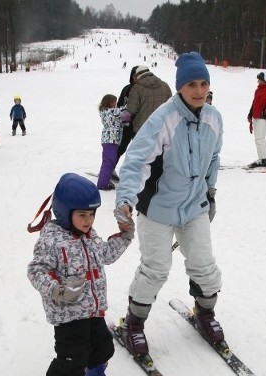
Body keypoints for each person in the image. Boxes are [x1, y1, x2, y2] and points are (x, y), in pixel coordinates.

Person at [114, 51, 223, 357]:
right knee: (156, 269)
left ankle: (205, 314)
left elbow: (214, 158)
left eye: (204, 83)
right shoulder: (164, 118)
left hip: (194, 208)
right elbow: (136, 162)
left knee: (205, 267)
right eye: (192, 84)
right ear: (180, 87)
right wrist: (125, 198)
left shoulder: (214, 118)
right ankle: (133, 324)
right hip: (158, 209)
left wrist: (210, 192)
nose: (200, 90)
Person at [27, 172, 134, 376]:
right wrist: (57, 290)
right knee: (72, 359)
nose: (89, 221)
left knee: (102, 347)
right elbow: (36, 270)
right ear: (64, 213)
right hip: (67, 316)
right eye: (82, 215)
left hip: (93, 310)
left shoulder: (89, 235)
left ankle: (94, 375)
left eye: (92, 214)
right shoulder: (51, 240)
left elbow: (105, 255)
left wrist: (125, 235)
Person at [126, 65, 172, 137]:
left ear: (137, 75)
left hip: (141, 129)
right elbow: (170, 106)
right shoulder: (165, 85)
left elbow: (131, 110)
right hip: (161, 127)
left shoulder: (137, 88)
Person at [96, 94, 128, 191]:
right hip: (110, 140)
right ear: (109, 102)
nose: (116, 103)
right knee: (109, 161)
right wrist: (128, 103)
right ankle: (102, 184)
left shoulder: (109, 112)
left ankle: (104, 179)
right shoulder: (108, 112)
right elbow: (121, 110)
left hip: (110, 140)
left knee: (109, 161)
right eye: (114, 101)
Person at [115, 66, 138, 167]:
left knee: (141, 149)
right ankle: (110, 169)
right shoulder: (127, 88)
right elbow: (119, 104)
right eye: (135, 75)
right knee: (121, 147)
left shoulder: (145, 90)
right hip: (127, 125)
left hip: (140, 124)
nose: (137, 78)